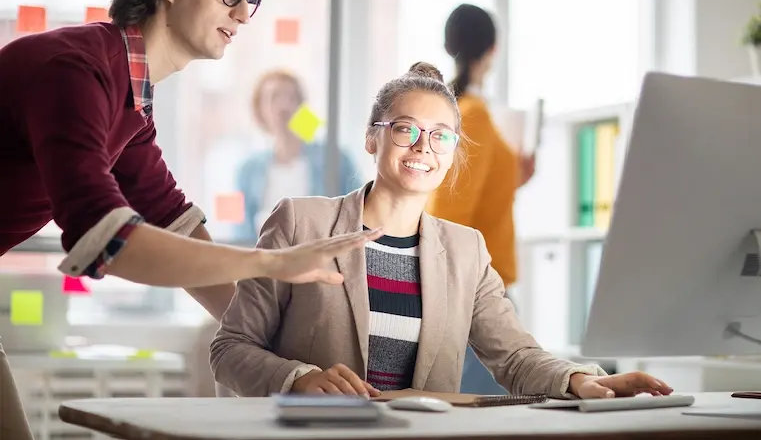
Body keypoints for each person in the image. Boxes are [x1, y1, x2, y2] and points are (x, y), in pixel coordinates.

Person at [0, 0, 380, 438]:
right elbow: (108, 242)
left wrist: (295, 366)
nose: (243, 13)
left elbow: (173, 221)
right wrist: (270, 262)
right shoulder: (76, 70)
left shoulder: (129, 105)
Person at [209, 62, 673, 401]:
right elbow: (231, 349)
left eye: (440, 135)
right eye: (405, 130)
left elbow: (513, 357)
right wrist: (299, 379)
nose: (422, 147)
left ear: (452, 152)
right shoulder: (300, 222)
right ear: (372, 139)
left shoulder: (466, 250)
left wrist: (578, 379)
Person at [426, 4, 534, 395]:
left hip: (471, 287)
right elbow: (451, 211)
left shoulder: (465, 112)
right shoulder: (471, 115)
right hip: (475, 292)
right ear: (493, 48)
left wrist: (515, 178)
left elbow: (465, 194)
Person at [235, 70, 361, 241]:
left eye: (291, 98)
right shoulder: (248, 170)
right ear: (260, 110)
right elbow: (241, 231)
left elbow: (357, 214)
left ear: (302, 107)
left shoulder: (335, 159)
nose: (283, 106)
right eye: (274, 97)